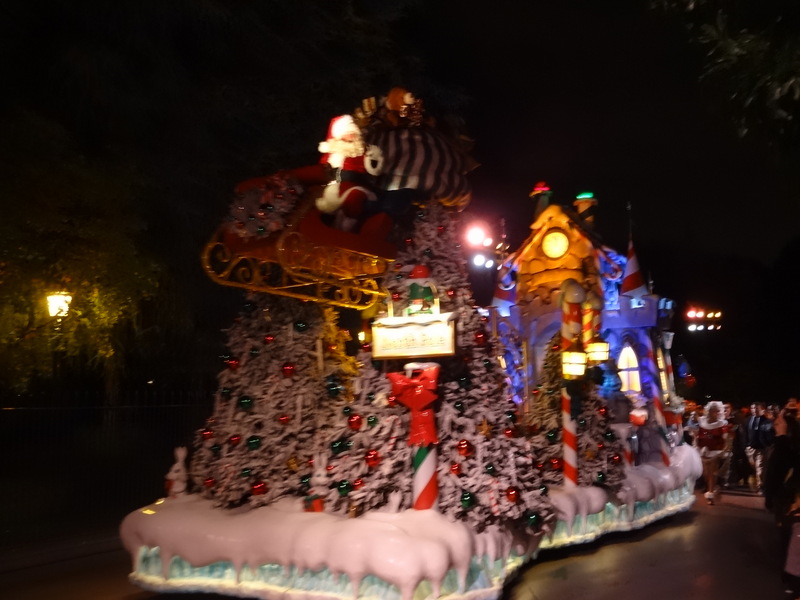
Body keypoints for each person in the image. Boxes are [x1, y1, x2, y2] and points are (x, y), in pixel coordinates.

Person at [695, 400, 729, 505]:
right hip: (703, 449)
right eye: (712, 410)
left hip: (715, 450)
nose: (714, 413)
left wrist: (725, 445)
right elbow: (698, 435)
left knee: (712, 473)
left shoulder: (721, 424)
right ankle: (713, 487)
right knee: (705, 473)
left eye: (716, 411)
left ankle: (710, 493)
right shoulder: (702, 422)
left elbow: (725, 437)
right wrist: (696, 441)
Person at [745, 402, 775, 493]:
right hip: (750, 448)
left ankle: (761, 486)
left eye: (757, 408)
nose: (755, 410)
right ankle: (757, 483)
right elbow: (745, 432)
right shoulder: (749, 420)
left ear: (761, 409)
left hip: (761, 448)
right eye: (753, 408)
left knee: (760, 467)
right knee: (754, 467)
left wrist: (768, 444)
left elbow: (770, 433)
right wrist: (746, 445)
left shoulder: (766, 421)